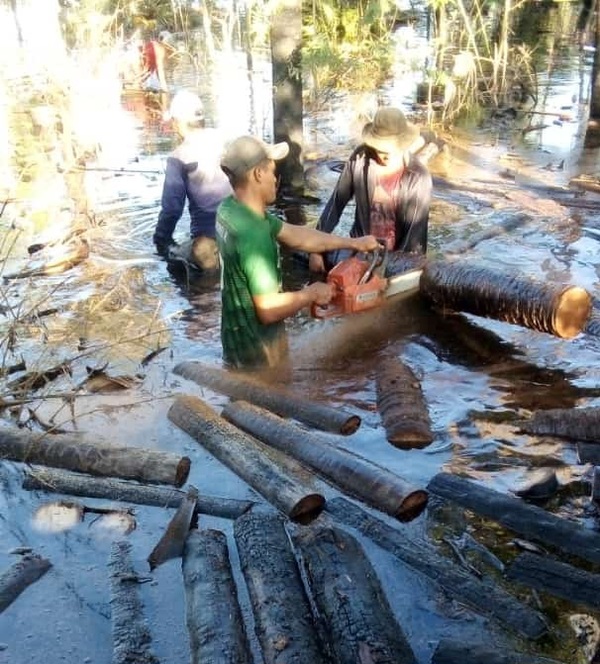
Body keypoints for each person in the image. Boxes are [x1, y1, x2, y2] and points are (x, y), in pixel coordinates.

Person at [216, 135, 380, 370]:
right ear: (258, 174)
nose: (276, 179)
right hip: (261, 354)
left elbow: (297, 236)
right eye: (272, 171)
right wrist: (310, 294)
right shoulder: (254, 234)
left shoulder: (230, 209)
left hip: (235, 341)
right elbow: (268, 309)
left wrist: (353, 243)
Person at [309, 106, 432, 273]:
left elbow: (413, 236)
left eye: (392, 150)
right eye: (381, 150)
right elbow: (336, 204)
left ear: (403, 144)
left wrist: (393, 270)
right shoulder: (359, 160)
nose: (386, 155)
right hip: (360, 249)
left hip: (400, 257)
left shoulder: (418, 177)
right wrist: (316, 247)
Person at [153, 90, 232, 269]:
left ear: (177, 122)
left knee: (174, 261)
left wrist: (160, 241)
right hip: (241, 228)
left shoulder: (178, 157)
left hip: (210, 238)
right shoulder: (223, 140)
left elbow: (172, 210)